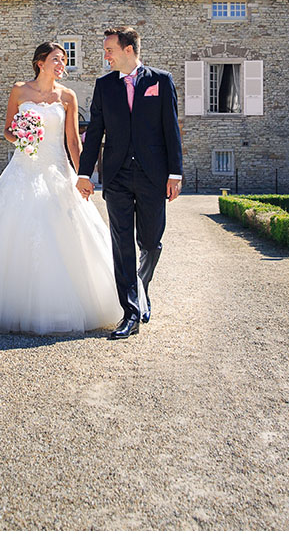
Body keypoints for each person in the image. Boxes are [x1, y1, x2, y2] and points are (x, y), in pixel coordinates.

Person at [0, 42, 122, 334]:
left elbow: (73, 142)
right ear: (40, 62)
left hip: (56, 169)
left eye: (64, 60)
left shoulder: (67, 96)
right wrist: (20, 136)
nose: (61, 64)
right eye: (56, 59)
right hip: (22, 170)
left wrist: (84, 175)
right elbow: (6, 130)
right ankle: (10, 308)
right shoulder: (19, 90)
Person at [76, 26, 182, 340]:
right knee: (121, 245)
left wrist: (174, 173)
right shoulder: (104, 85)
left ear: (128, 50)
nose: (105, 55)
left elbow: (171, 128)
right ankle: (131, 312)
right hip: (117, 174)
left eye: (109, 49)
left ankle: (142, 285)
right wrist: (85, 173)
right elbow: (94, 132)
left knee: (150, 241)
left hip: (153, 174)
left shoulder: (160, 81)